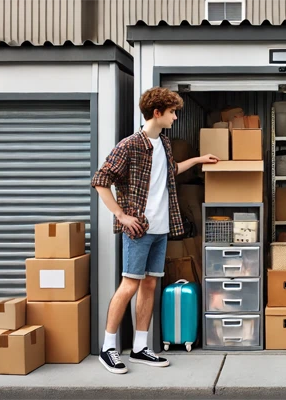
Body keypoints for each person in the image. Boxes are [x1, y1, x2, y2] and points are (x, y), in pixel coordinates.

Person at [91, 87, 218, 374]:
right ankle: (108, 348)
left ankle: (139, 347)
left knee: (149, 285)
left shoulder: (163, 143)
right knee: (129, 285)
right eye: (172, 112)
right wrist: (120, 215)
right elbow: (101, 180)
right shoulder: (130, 145)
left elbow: (169, 170)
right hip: (139, 229)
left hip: (161, 228)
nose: (175, 117)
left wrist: (198, 160)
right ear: (157, 113)